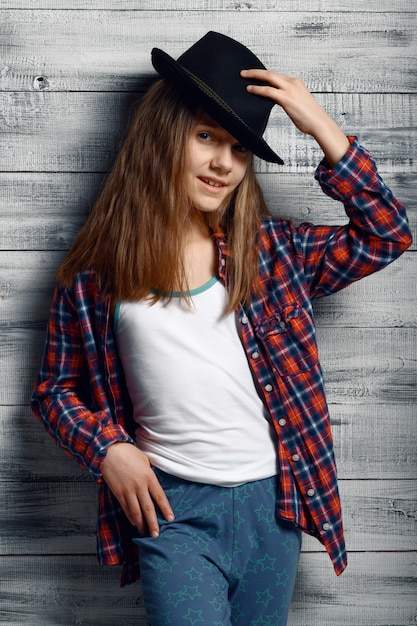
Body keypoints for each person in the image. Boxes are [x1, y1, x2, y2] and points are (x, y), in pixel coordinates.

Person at [31, 31, 411, 626]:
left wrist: (321, 128)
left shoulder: (275, 252)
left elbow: (387, 234)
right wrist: (109, 449)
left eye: (239, 148)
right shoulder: (95, 277)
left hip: (275, 507)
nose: (222, 163)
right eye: (206, 136)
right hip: (172, 510)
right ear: (163, 134)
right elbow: (54, 392)